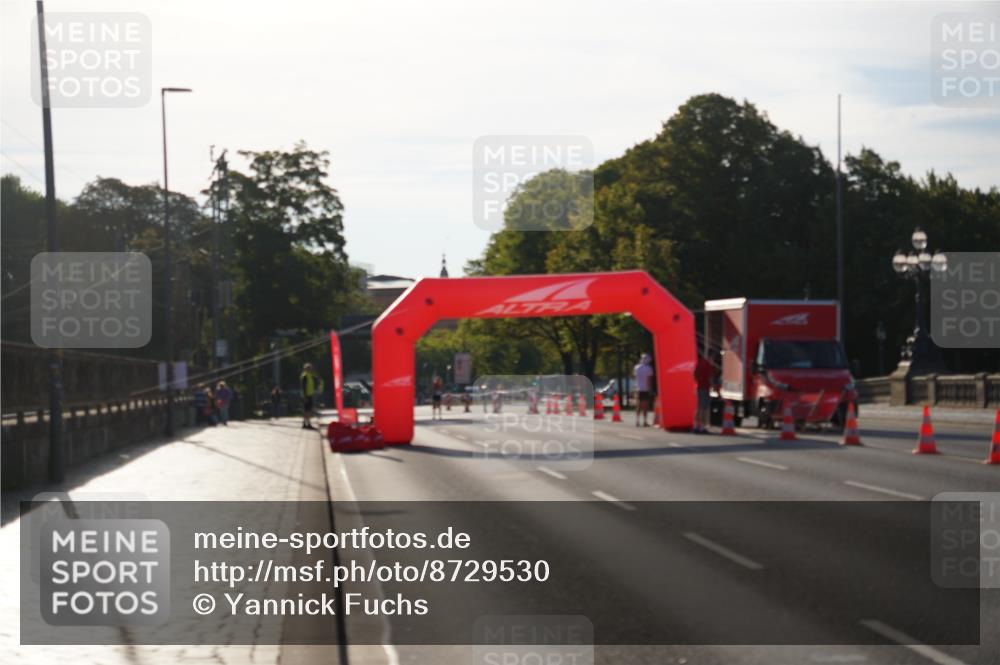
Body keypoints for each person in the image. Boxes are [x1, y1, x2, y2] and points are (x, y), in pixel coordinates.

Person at [693, 351, 716, 433]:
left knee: (699, 408)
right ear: (711, 357)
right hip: (705, 388)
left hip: (699, 387)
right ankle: (702, 427)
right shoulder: (708, 365)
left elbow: (694, 375)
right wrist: (713, 387)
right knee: (704, 408)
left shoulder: (699, 363)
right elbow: (710, 378)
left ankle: (696, 425)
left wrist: (698, 382)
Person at [300, 363, 324, 430]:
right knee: (307, 410)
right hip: (307, 395)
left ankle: (306, 423)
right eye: (309, 368)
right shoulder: (305, 376)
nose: (310, 369)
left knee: (308, 410)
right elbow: (304, 387)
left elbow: (316, 378)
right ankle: (306, 424)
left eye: (310, 368)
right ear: (305, 369)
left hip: (309, 395)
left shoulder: (309, 375)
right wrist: (305, 397)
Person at [633, 353, 654, 427]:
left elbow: (635, 377)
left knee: (638, 405)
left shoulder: (636, 367)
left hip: (638, 388)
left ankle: (637, 421)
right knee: (645, 406)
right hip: (645, 389)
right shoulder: (649, 368)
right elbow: (649, 380)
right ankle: (645, 421)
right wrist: (650, 389)